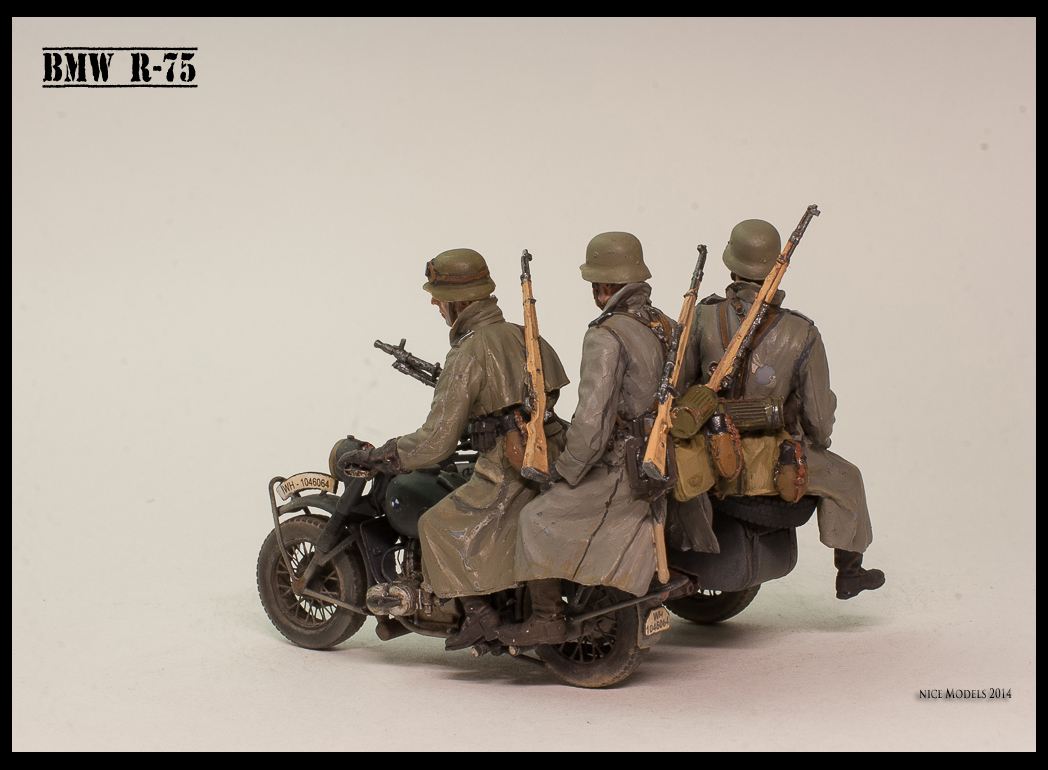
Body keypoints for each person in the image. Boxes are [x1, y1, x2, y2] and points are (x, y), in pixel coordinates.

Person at [338, 248, 569, 648]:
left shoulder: (468, 352)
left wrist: (384, 455)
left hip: (509, 467)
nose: (435, 304)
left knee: (434, 524)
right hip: (550, 452)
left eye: (439, 297)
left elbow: (435, 442)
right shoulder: (523, 334)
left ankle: (478, 615)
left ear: (458, 302)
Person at [681, 219, 884, 600]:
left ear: (731, 265)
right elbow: (819, 416)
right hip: (775, 455)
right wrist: (816, 442)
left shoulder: (702, 316)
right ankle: (850, 572)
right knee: (847, 478)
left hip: (709, 449)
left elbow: (679, 386)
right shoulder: (801, 332)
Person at [501, 232, 673, 645]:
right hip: (662, 458)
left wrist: (565, 471)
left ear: (603, 286)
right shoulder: (666, 323)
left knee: (535, 518)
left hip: (623, 468)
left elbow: (593, 423)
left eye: (595, 283)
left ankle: (546, 617)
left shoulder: (606, 335)